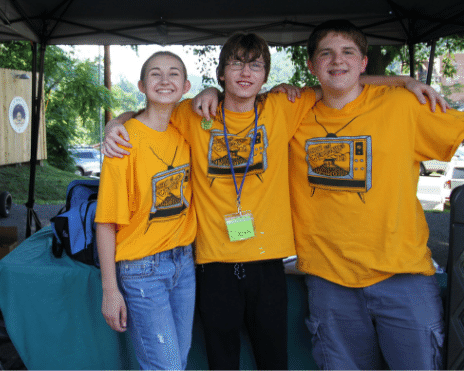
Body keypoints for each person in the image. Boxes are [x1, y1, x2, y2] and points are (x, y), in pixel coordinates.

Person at [103, 33, 445, 370]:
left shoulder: (285, 106)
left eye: (255, 65)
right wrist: (116, 124)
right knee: (221, 361)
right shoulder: (196, 113)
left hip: (268, 266)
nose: (245, 72)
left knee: (273, 361)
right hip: (212, 265)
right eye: (236, 64)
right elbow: (149, 112)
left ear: (267, 77)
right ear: (221, 74)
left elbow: (340, 78)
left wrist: (403, 81)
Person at [288, 19, 463, 370]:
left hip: (403, 277)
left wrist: (405, 82)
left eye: (348, 52)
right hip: (329, 281)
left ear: (364, 62)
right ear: (311, 65)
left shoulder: (403, 105)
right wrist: (209, 93)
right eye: (326, 53)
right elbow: (239, 103)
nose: (337, 61)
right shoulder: (292, 112)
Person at [95, 51, 197, 370]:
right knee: (165, 366)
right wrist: (110, 290)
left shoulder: (186, 132)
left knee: (177, 360)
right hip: (143, 270)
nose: (164, 80)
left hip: (184, 262)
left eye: (173, 74)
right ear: (141, 84)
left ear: (186, 86)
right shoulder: (123, 142)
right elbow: (106, 222)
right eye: (155, 74)